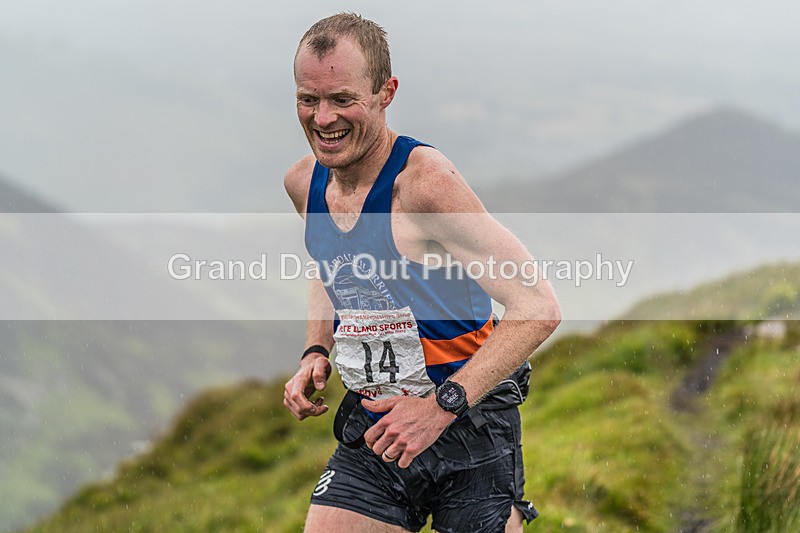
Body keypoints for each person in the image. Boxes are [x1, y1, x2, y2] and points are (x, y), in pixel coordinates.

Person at [283, 13, 561, 533]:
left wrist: (437, 408)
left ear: (385, 92)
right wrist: (315, 350)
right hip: (378, 429)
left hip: (469, 426)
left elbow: (537, 308)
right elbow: (328, 264)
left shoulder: (424, 185)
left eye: (343, 100)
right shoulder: (303, 183)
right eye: (308, 99)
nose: (322, 119)